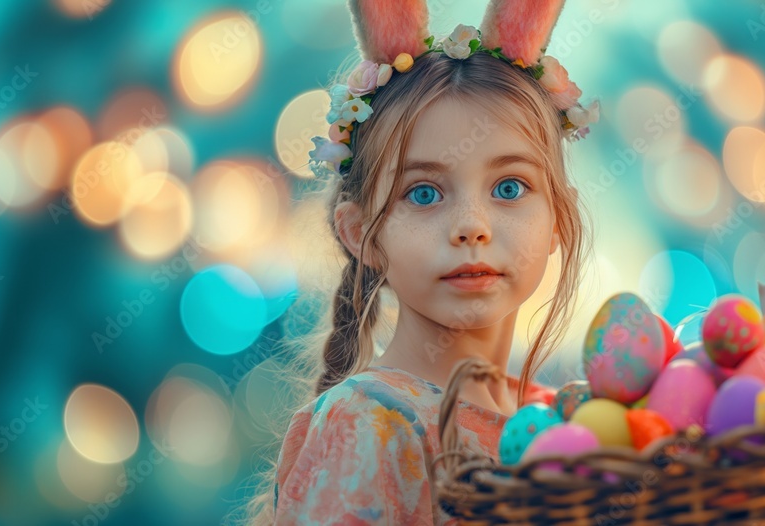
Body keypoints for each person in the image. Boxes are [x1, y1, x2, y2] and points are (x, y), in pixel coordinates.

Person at [245, 0, 597, 523]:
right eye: (425, 194)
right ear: (363, 233)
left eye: (509, 186)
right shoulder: (368, 424)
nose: (471, 225)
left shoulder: (568, 426)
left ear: (557, 218)